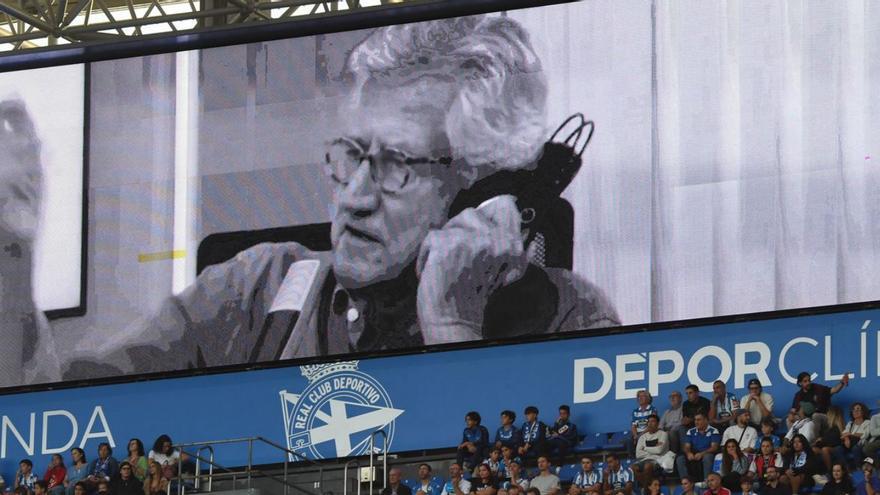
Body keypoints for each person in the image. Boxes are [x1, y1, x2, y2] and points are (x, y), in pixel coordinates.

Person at [0, 16, 620, 389]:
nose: (352, 197)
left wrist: (451, 322)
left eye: (396, 166)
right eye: (351, 154)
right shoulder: (257, 288)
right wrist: (10, 253)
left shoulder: (570, 318)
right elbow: (62, 428)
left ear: (484, 187)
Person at [676, 412, 720, 482]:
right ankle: (685, 482)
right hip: (694, 453)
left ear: (705, 420)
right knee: (680, 459)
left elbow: (714, 447)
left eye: (699, 420)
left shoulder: (714, 431)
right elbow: (686, 446)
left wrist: (702, 453)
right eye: (695, 420)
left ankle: (706, 482)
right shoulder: (691, 431)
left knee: (707, 457)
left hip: (707, 453)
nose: (696, 422)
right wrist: (688, 453)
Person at [633, 415, 669, 488]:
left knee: (647, 466)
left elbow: (659, 450)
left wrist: (645, 448)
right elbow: (638, 454)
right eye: (648, 422)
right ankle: (648, 488)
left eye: (652, 421)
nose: (650, 423)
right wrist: (654, 448)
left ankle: (646, 490)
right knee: (632, 468)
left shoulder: (663, 434)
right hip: (644, 460)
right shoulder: (643, 437)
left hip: (659, 460)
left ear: (658, 423)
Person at [813, 405, 844, 472]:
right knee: (813, 449)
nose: (827, 415)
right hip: (827, 445)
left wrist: (822, 439)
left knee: (825, 449)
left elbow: (835, 440)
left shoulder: (838, 427)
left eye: (828, 413)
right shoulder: (829, 428)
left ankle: (829, 471)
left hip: (836, 447)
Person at [628, 391, 658, 458]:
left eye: (642, 396)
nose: (640, 398)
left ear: (648, 398)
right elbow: (633, 426)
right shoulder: (635, 411)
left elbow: (652, 425)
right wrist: (635, 435)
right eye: (639, 397)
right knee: (630, 440)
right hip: (638, 433)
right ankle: (633, 460)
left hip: (649, 432)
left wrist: (641, 435)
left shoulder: (652, 409)